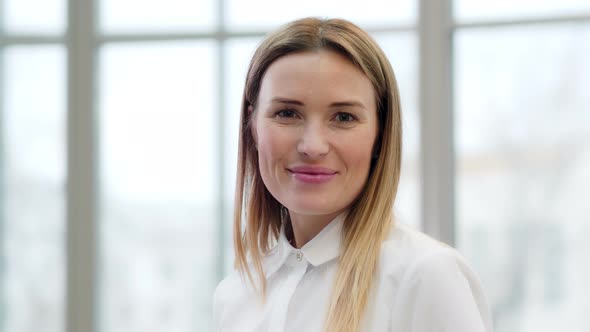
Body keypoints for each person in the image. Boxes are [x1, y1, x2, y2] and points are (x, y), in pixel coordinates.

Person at [213, 17, 493, 332]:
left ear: (380, 134)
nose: (313, 146)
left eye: (343, 117)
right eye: (287, 113)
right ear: (251, 126)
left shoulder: (425, 276)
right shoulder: (234, 296)